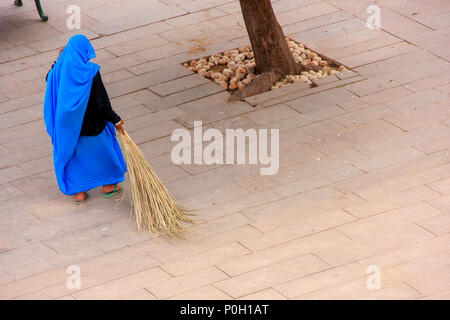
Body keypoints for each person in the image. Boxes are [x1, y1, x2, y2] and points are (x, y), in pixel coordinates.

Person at [44, 34, 127, 204]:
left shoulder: (57, 74)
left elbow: (50, 84)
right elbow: (102, 104)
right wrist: (116, 120)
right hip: (95, 126)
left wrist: (54, 67)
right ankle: (109, 186)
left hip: (70, 130)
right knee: (106, 154)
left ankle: (79, 193)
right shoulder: (91, 73)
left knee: (75, 160)